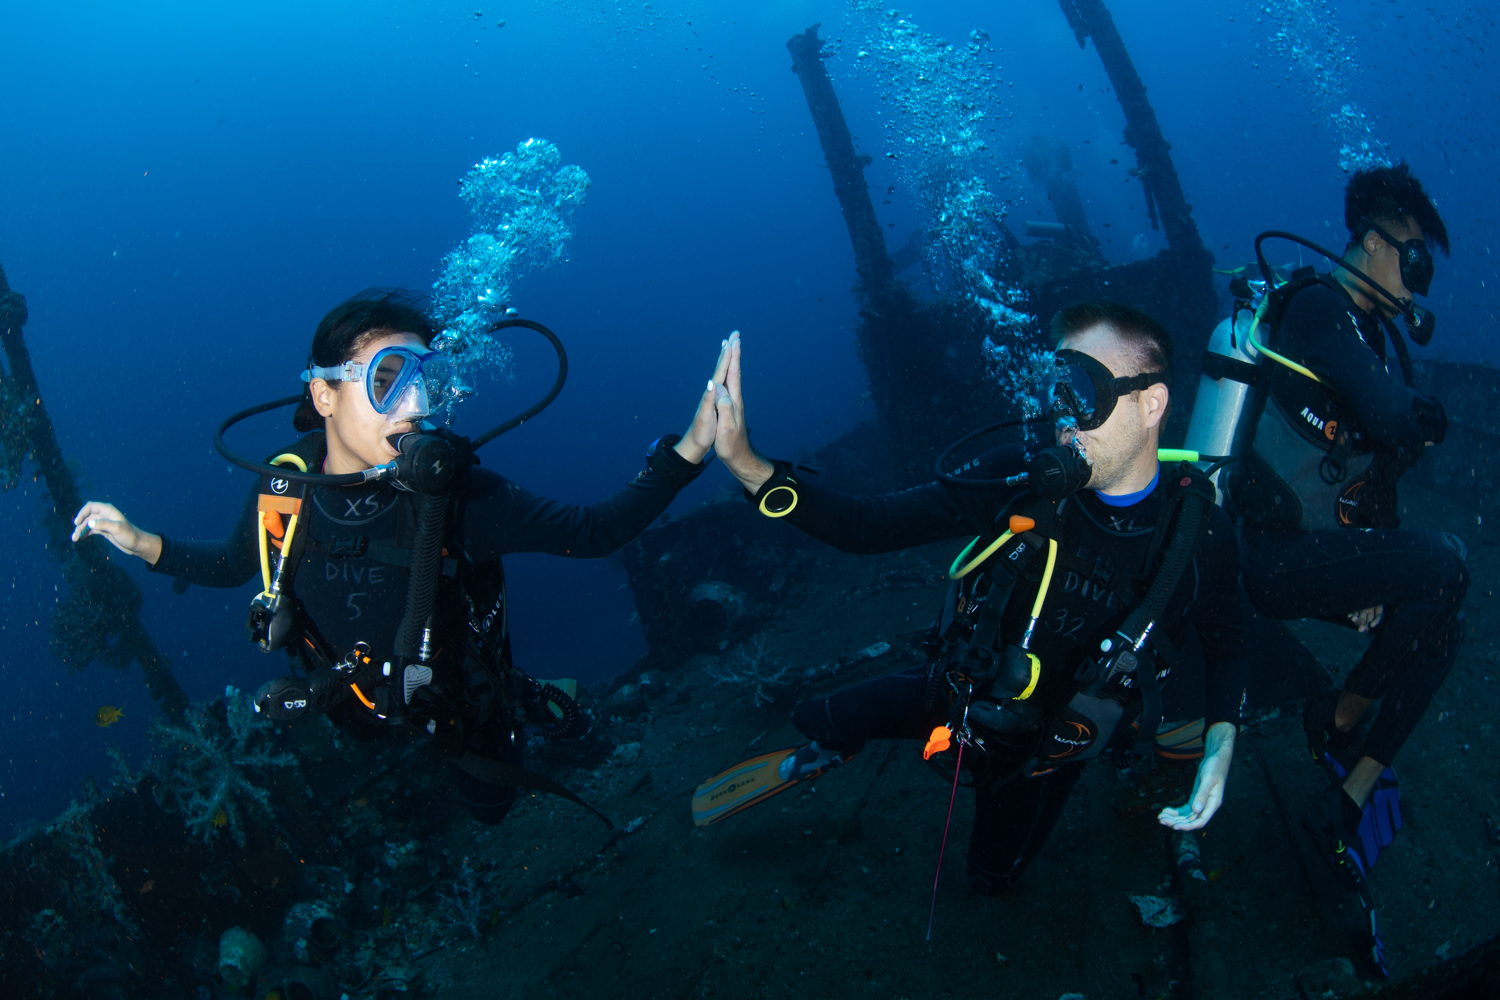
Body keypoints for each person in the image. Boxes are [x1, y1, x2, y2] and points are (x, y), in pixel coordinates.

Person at [71, 290, 728, 826]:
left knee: (491, 807)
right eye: (389, 380)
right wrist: (139, 542)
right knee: (366, 750)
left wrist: (691, 449)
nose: (416, 407)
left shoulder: (459, 495)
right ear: (324, 395)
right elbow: (234, 564)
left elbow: (594, 532)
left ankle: (523, 697)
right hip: (349, 700)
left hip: (456, 701)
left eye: (427, 380)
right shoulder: (285, 487)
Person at [699, 303, 1249, 893]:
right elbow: (869, 525)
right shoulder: (1020, 480)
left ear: (1151, 403)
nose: (1065, 421)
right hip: (963, 685)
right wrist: (749, 467)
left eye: (1084, 391)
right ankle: (829, 748)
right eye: (1057, 390)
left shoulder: (1197, 535)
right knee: (816, 717)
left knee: (991, 876)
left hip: (1052, 743)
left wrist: (1221, 738)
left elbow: (1229, 640)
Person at [1227, 163, 1466, 909]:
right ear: (1369, 241)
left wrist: (1372, 574)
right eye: (1414, 257)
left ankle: (1348, 795)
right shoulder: (1319, 309)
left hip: (1319, 551)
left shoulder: (1374, 337)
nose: (1419, 279)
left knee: (1442, 627)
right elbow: (1395, 417)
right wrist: (1421, 416)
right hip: (1265, 556)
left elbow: (1377, 485)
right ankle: (1335, 717)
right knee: (1450, 561)